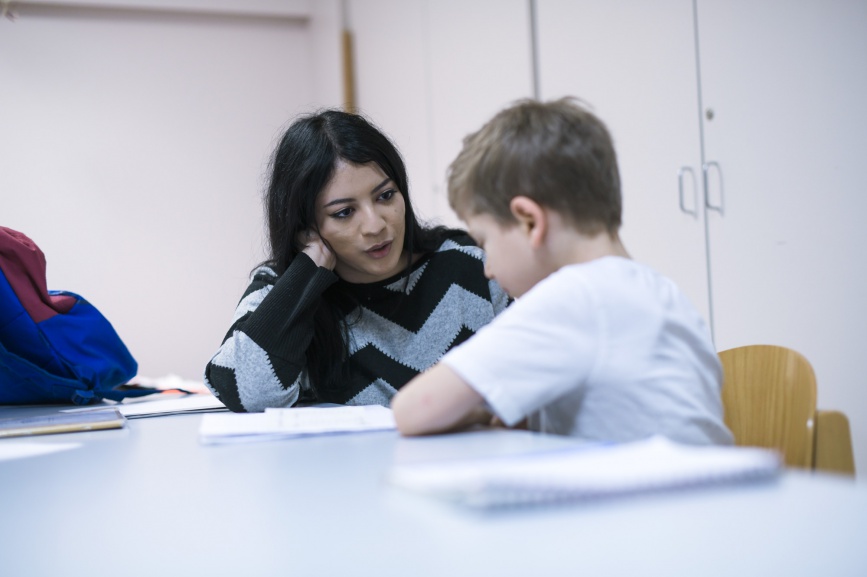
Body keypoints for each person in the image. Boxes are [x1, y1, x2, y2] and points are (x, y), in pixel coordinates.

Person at [391, 97, 734, 446]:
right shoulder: (661, 293)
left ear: (529, 222)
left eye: (485, 242)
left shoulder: (573, 296)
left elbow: (413, 410)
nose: (488, 269)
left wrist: (478, 409)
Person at [204, 110, 510, 412]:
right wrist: (306, 274)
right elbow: (244, 391)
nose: (375, 225)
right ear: (305, 227)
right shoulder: (286, 288)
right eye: (344, 213)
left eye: (386, 196)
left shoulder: (469, 263)